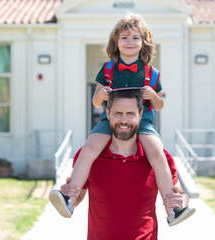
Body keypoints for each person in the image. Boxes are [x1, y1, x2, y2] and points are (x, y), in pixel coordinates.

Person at [49, 12, 195, 226]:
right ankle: (69, 198)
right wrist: (101, 95)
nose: (129, 42)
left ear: (143, 42)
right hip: (110, 119)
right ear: (115, 42)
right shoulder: (108, 69)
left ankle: (172, 208)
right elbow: (96, 102)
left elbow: (160, 105)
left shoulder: (151, 73)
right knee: (89, 148)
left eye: (135, 37)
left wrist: (152, 95)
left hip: (142, 120)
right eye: (124, 37)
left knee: (156, 152)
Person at [59, 89, 195, 239]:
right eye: (118, 113)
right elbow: (77, 199)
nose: (124, 120)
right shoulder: (89, 156)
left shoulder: (158, 158)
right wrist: (69, 193)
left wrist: (182, 200)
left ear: (141, 115)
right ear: (108, 113)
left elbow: (180, 194)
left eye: (130, 113)